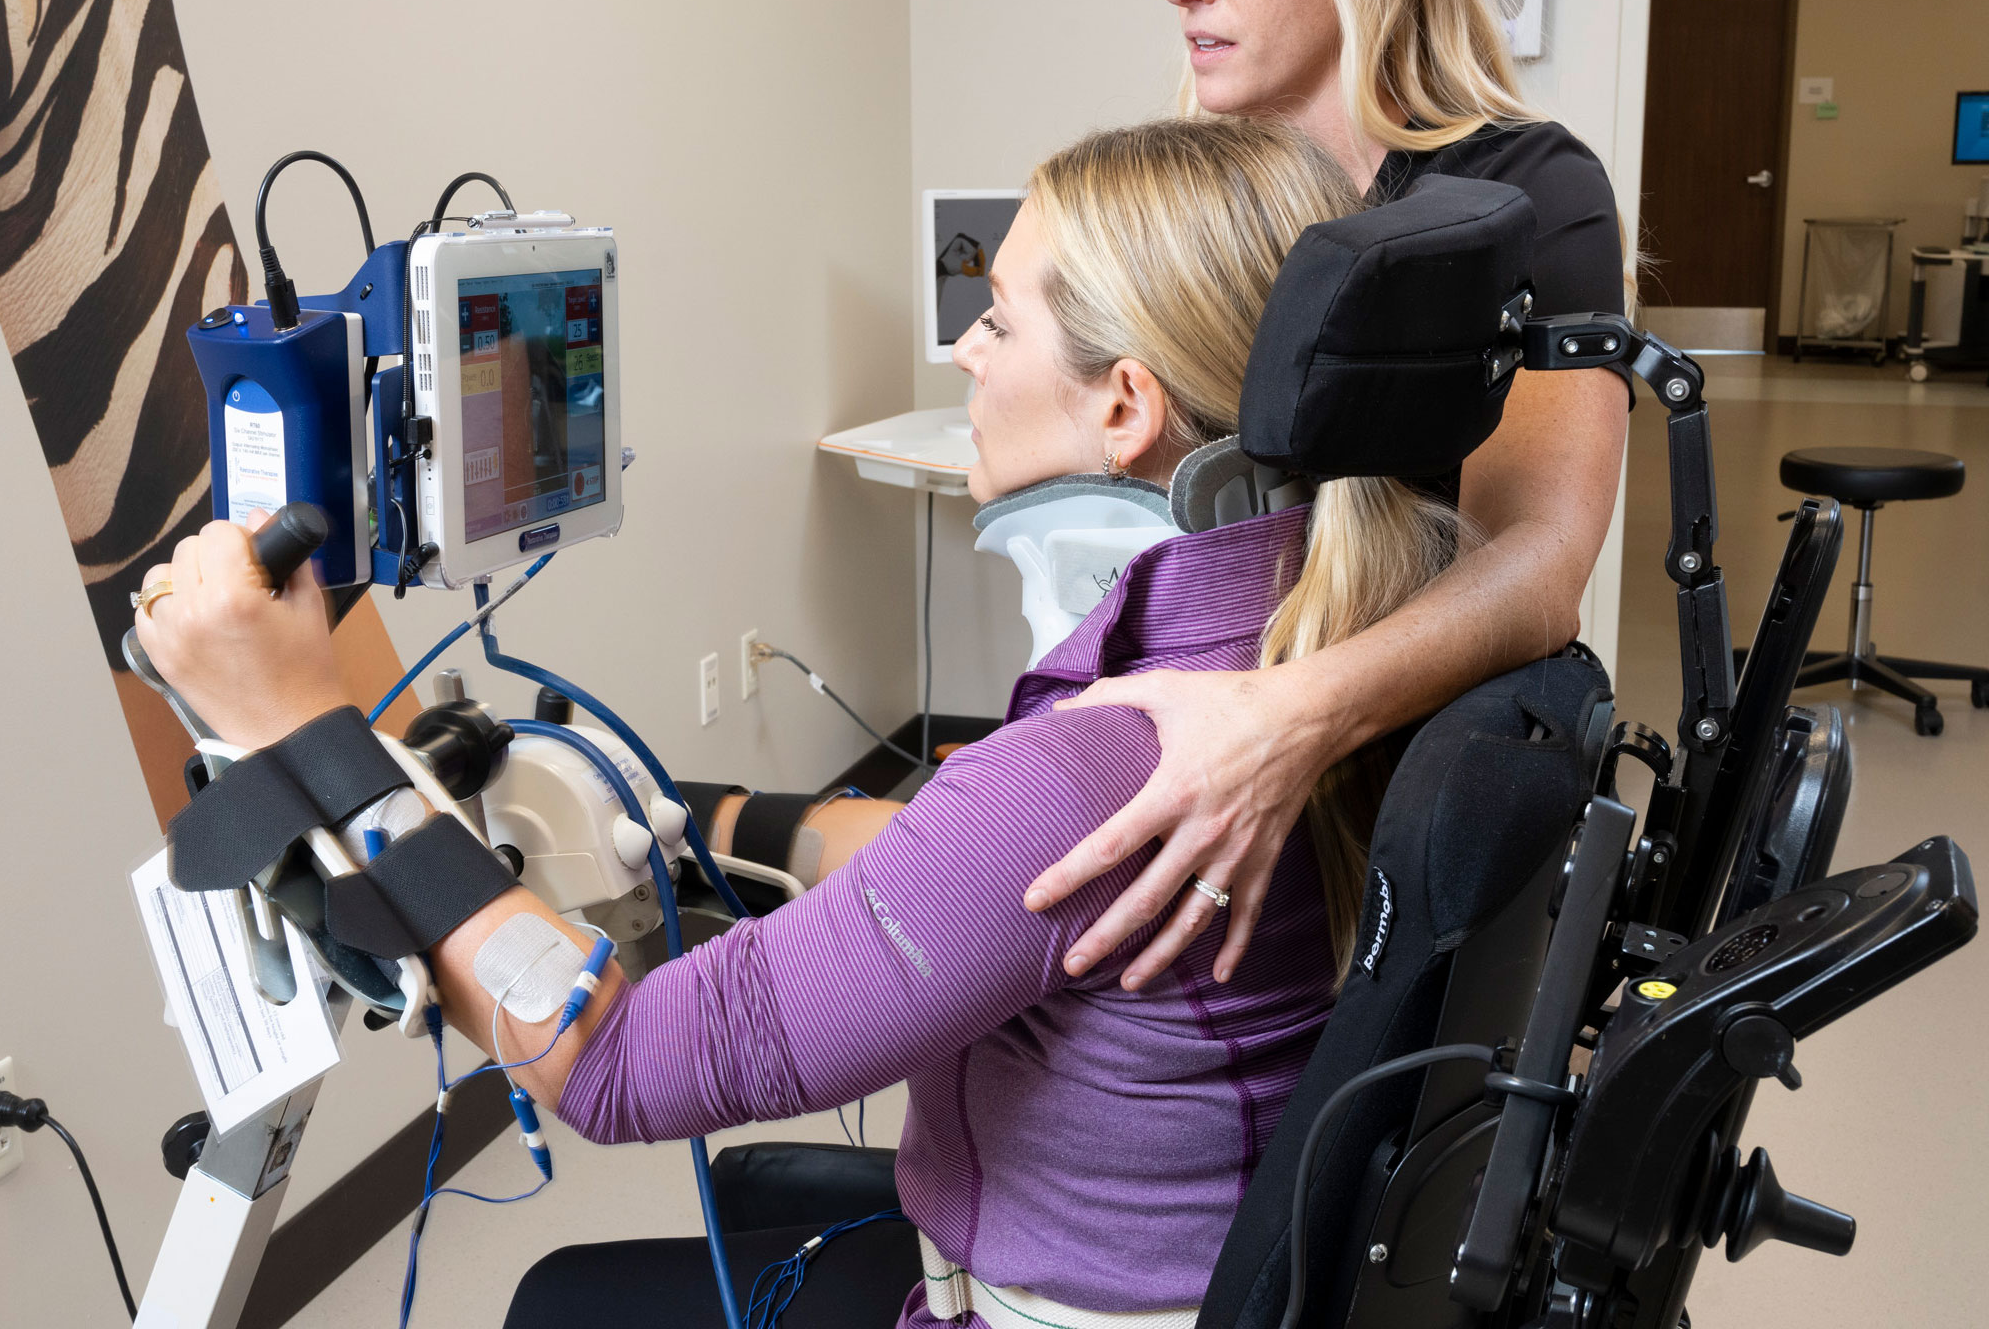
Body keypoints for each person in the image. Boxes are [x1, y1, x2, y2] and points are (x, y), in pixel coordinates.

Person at [137, 118, 1460, 1326]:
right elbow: (959, 859)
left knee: (560, 1306)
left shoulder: (1097, 768)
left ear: (1124, 405)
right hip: (1216, 1260)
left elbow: (615, 1065)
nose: (966, 354)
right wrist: (696, 816)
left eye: (996, 321)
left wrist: (309, 724)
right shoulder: (1330, 629)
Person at [1024, 0, 1634, 994]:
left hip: (1370, 788)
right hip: (1193, 719)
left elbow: (1536, 568)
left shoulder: (1523, 194)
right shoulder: (1205, 204)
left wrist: (1285, 724)